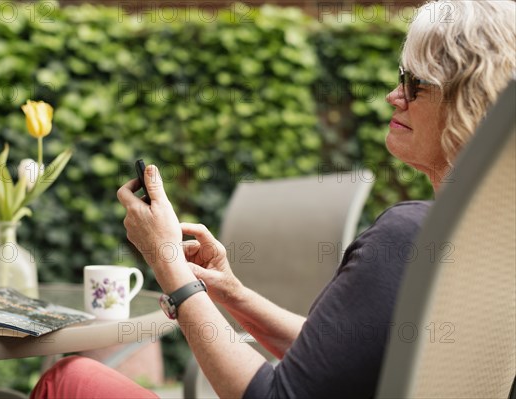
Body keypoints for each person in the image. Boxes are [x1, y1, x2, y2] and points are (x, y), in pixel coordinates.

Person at [31, 1, 516, 397]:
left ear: (468, 102)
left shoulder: (409, 237)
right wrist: (232, 294)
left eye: (414, 83)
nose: (394, 95)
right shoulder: (494, 245)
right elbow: (329, 364)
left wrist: (168, 264)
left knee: (71, 380)